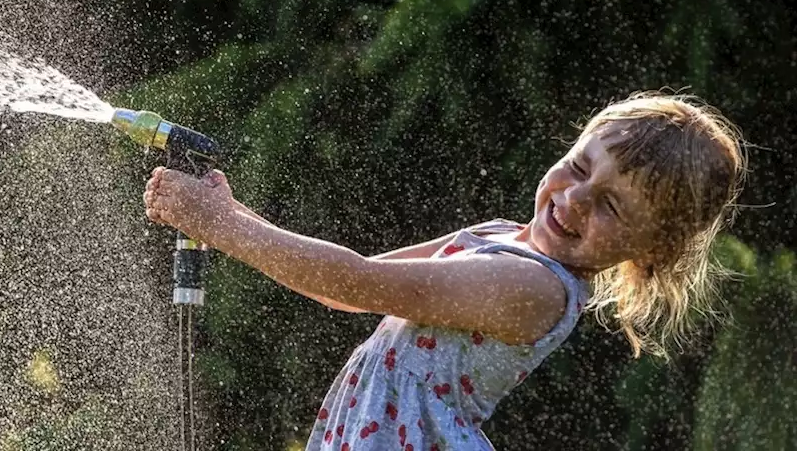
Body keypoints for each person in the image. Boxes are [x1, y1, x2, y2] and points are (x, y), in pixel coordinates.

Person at [142, 91, 746, 450]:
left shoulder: (535, 288)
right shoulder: (497, 238)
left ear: (650, 250)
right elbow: (348, 294)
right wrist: (231, 215)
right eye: (579, 166)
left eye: (611, 205)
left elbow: (358, 280)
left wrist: (225, 226)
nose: (576, 198)